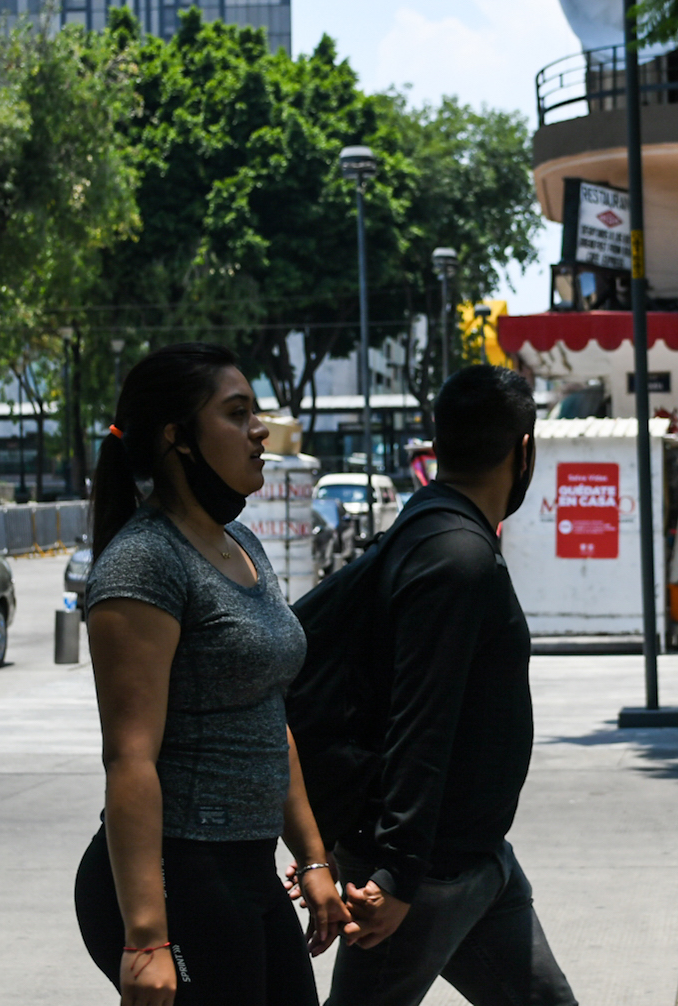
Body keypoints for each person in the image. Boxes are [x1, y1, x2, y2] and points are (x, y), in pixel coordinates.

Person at [73, 342, 349, 1006]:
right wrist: (146, 937)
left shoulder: (242, 546)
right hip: (178, 870)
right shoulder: (145, 564)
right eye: (236, 412)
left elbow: (267, 714)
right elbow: (129, 757)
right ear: (179, 439)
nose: (260, 429)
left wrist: (312, 857)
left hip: (244, 865)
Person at [310, 364, 577, 1006]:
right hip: (425, 872)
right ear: (524, 451)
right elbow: (421, 720)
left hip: (476, 858)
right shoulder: (457, 559)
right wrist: (398, 875)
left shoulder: (425, 526)